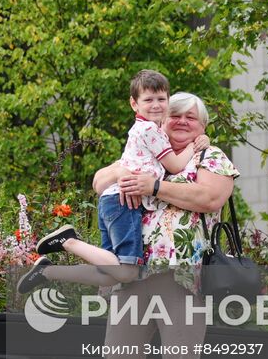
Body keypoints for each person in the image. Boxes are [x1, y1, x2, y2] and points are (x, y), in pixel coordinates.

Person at [32, 93, 241, 359]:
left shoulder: (211, 157)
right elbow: (99, 181)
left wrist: (154, 187)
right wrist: (124, 173)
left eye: (191, 118)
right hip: (131, 277)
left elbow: (209, 198)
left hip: (181, 277)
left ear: (203, 126)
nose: (181, 121)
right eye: (175, 114)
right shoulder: (145, 147)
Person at [19, 70, 209, 291]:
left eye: (161, 100)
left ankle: (47, 271)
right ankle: (67, 241)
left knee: (109, 274)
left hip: (114, 204)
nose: (156, 105)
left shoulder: (148, 133)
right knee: (126, 272)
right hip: (122, 204)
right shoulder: (150, 132)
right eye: (149, 100)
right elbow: (173, 166)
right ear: (134, 104)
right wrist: (193, 145)